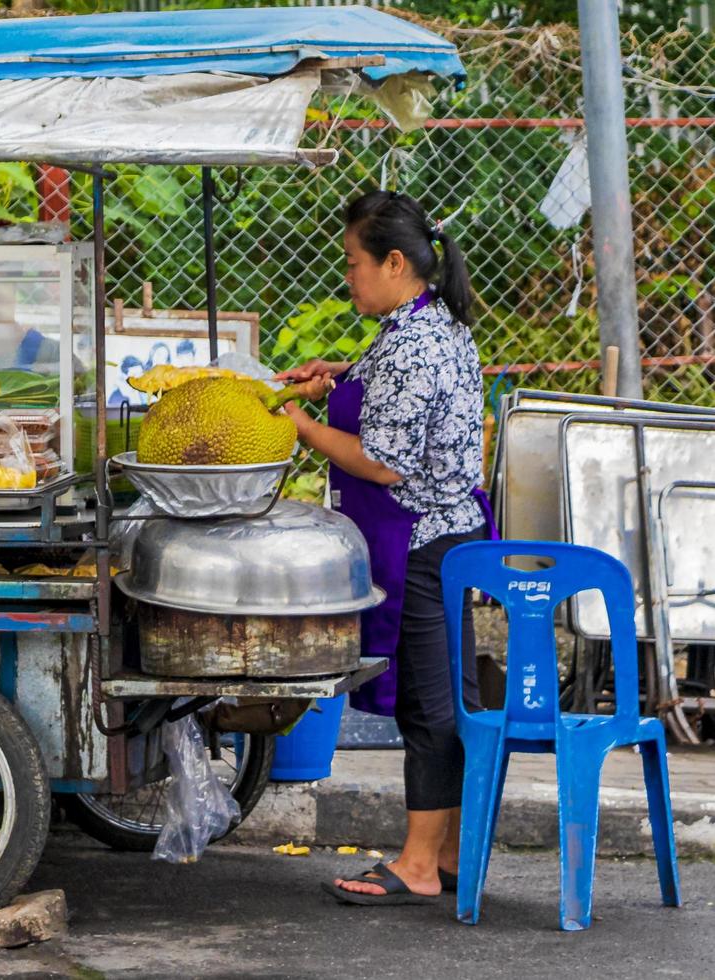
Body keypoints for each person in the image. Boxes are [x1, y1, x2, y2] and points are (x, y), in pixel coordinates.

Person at [276, 190, 494, 906]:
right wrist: (341, 374)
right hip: (448, 535)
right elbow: (397, 395)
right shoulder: (424, 326)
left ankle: (418, 865)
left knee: (429, 708)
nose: (348, 278)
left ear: (394, 262)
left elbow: (383, 462)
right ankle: (448, 855)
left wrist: (302, 425)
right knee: (444, 703)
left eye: (353, 264)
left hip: (422, 542)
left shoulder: (413, 345)